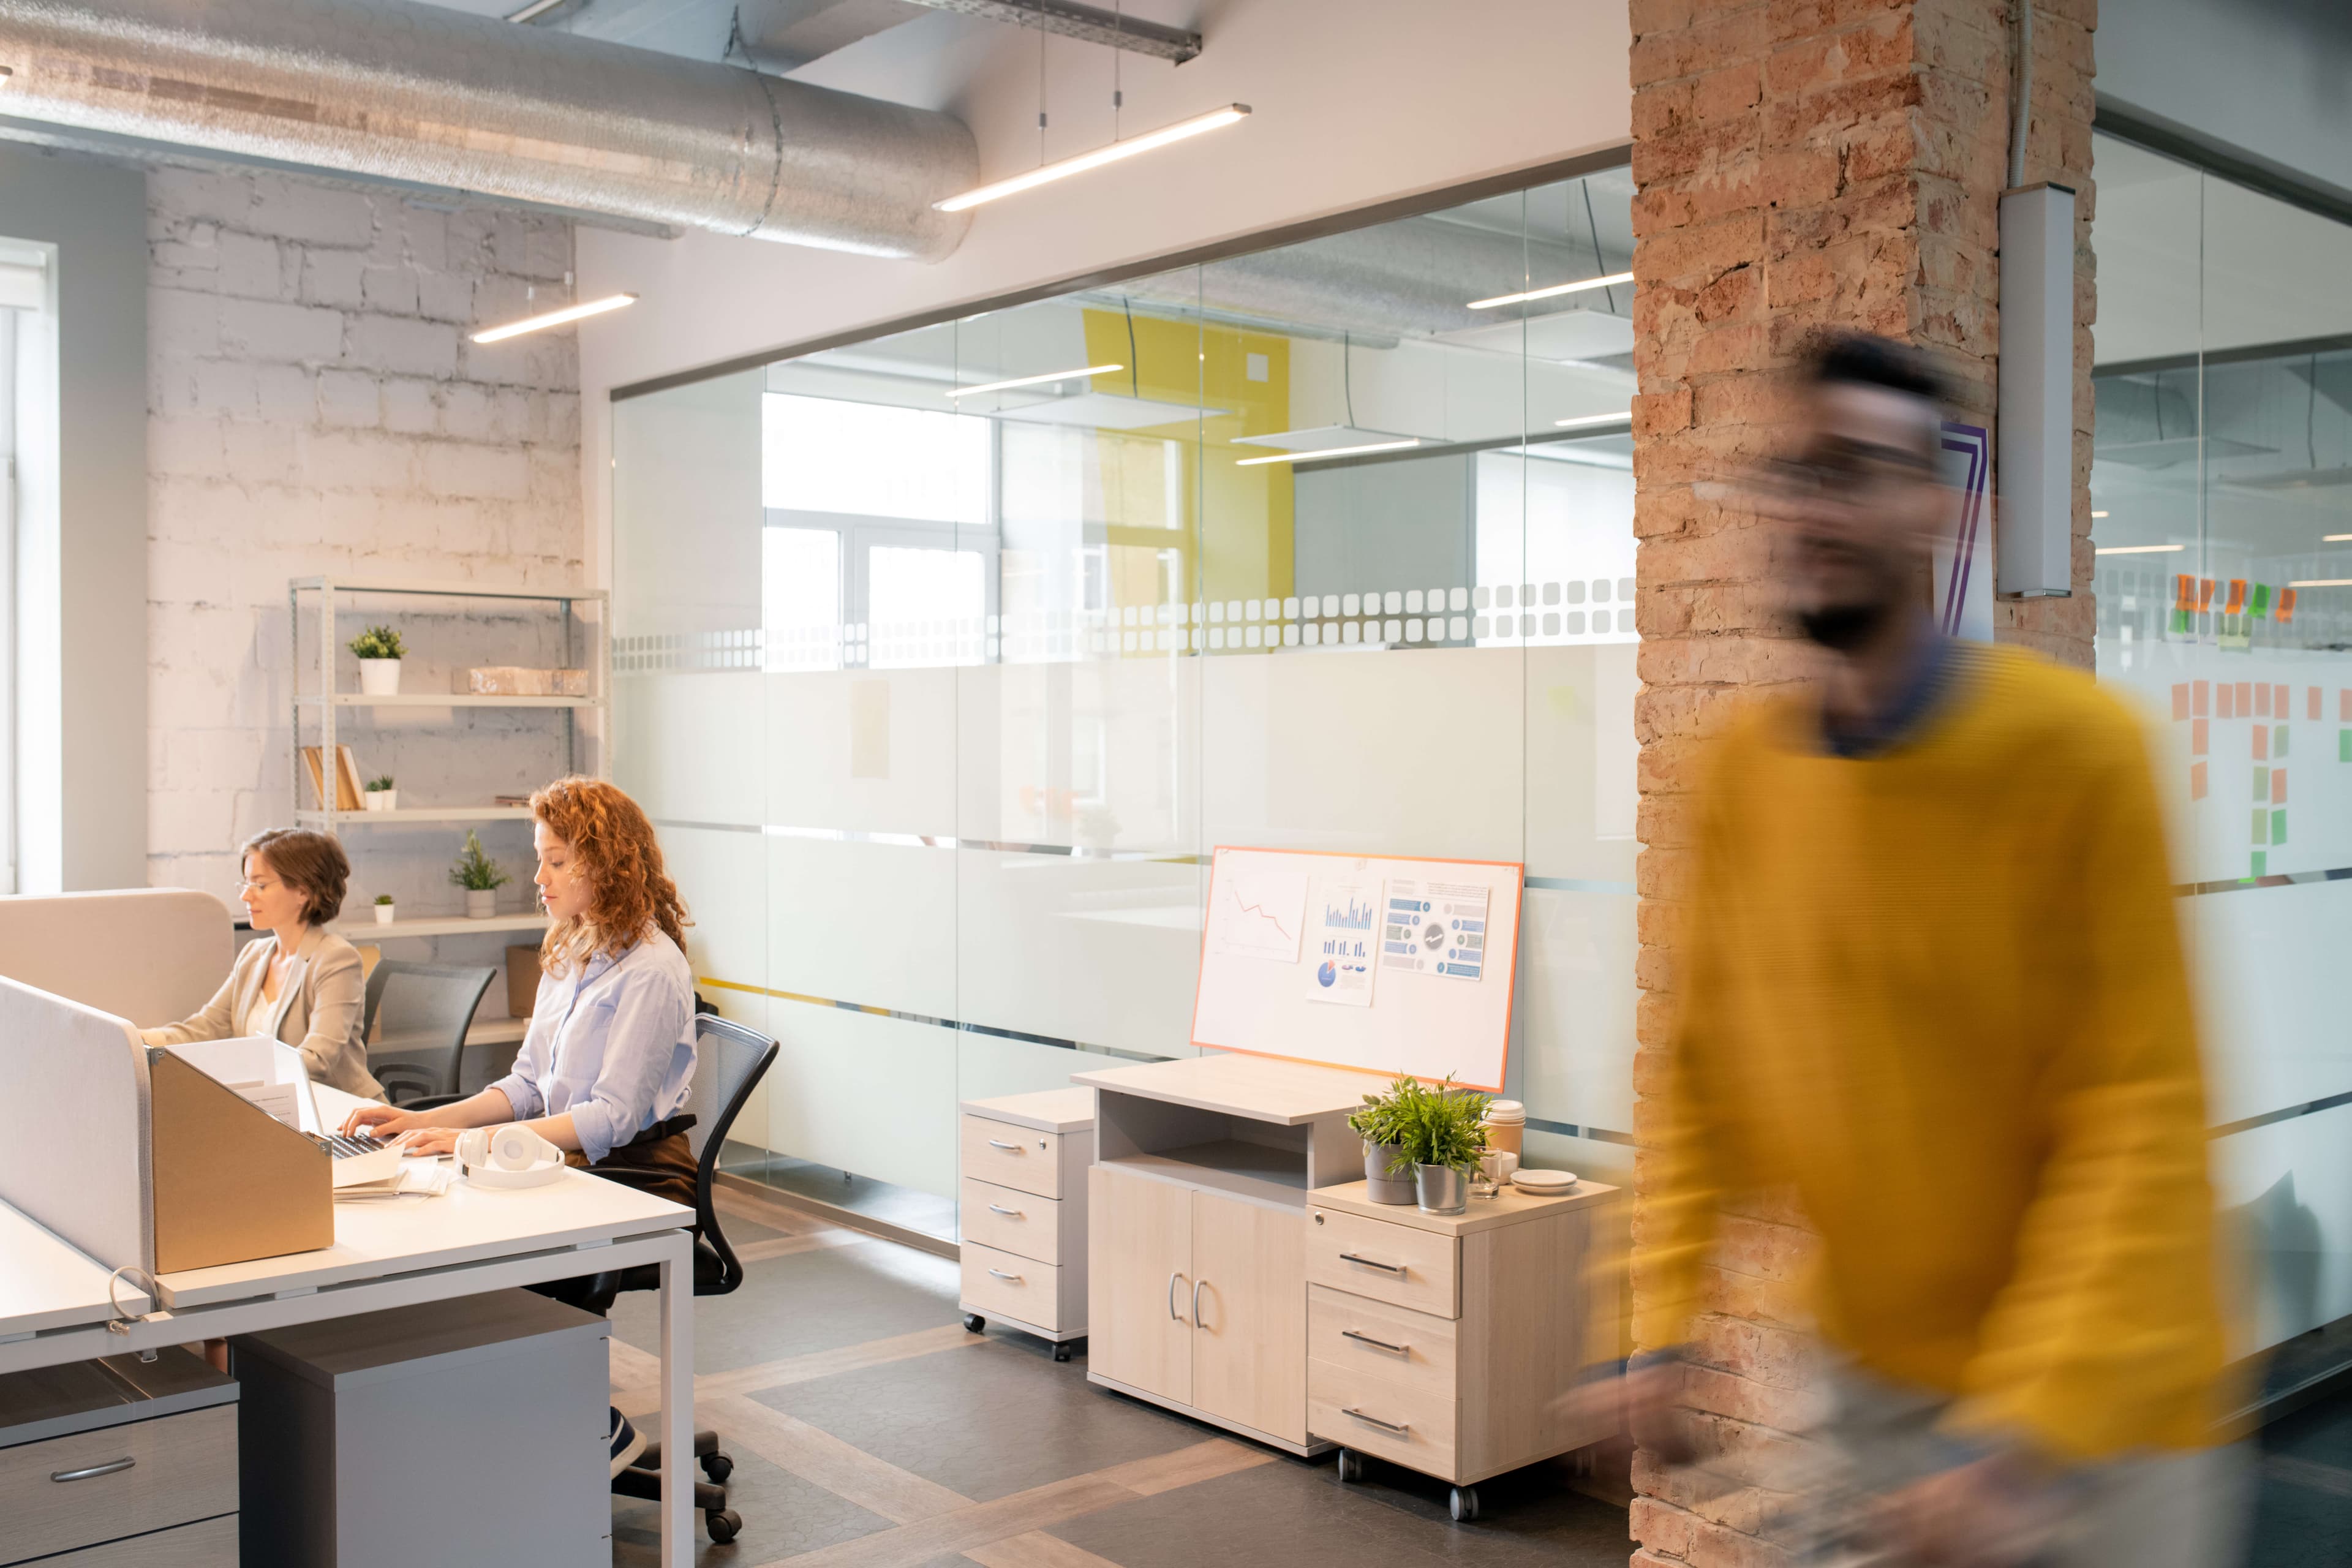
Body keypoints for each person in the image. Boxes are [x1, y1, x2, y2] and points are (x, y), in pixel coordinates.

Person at [1626, 333, 2241, 1566]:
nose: (1816, 504)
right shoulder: (1746, 775)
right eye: (1795, 472)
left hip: (2098, 1414)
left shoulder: (2074, 756)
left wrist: (2014, 1436)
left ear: (1941, 502)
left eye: (1856, 470)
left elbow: (2141, 1118)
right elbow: (1704, 1079)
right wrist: (1649, 1328)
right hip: (1878, 1385)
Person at [342, 775, 698, 1208]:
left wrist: (473, 1140)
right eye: (539, 859)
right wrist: (417, 1121)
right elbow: (528, 1085)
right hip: (565, 1162)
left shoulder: (650, 972)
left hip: (636, 1177)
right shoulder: (571, 951)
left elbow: (611, 1120)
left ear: (605, 865)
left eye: (557, 862)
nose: (538, 876)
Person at [145, 827, 383, 1100]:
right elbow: (205, 1028)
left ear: (303, 891)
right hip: (275, 1107)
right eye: (245, 883)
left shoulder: (336, 959)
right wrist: (138, 1041)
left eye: (259, 885)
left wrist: (233, 1066)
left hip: (342, 1113)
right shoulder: (253, 955)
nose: (246, 896)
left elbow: (317, 1060)